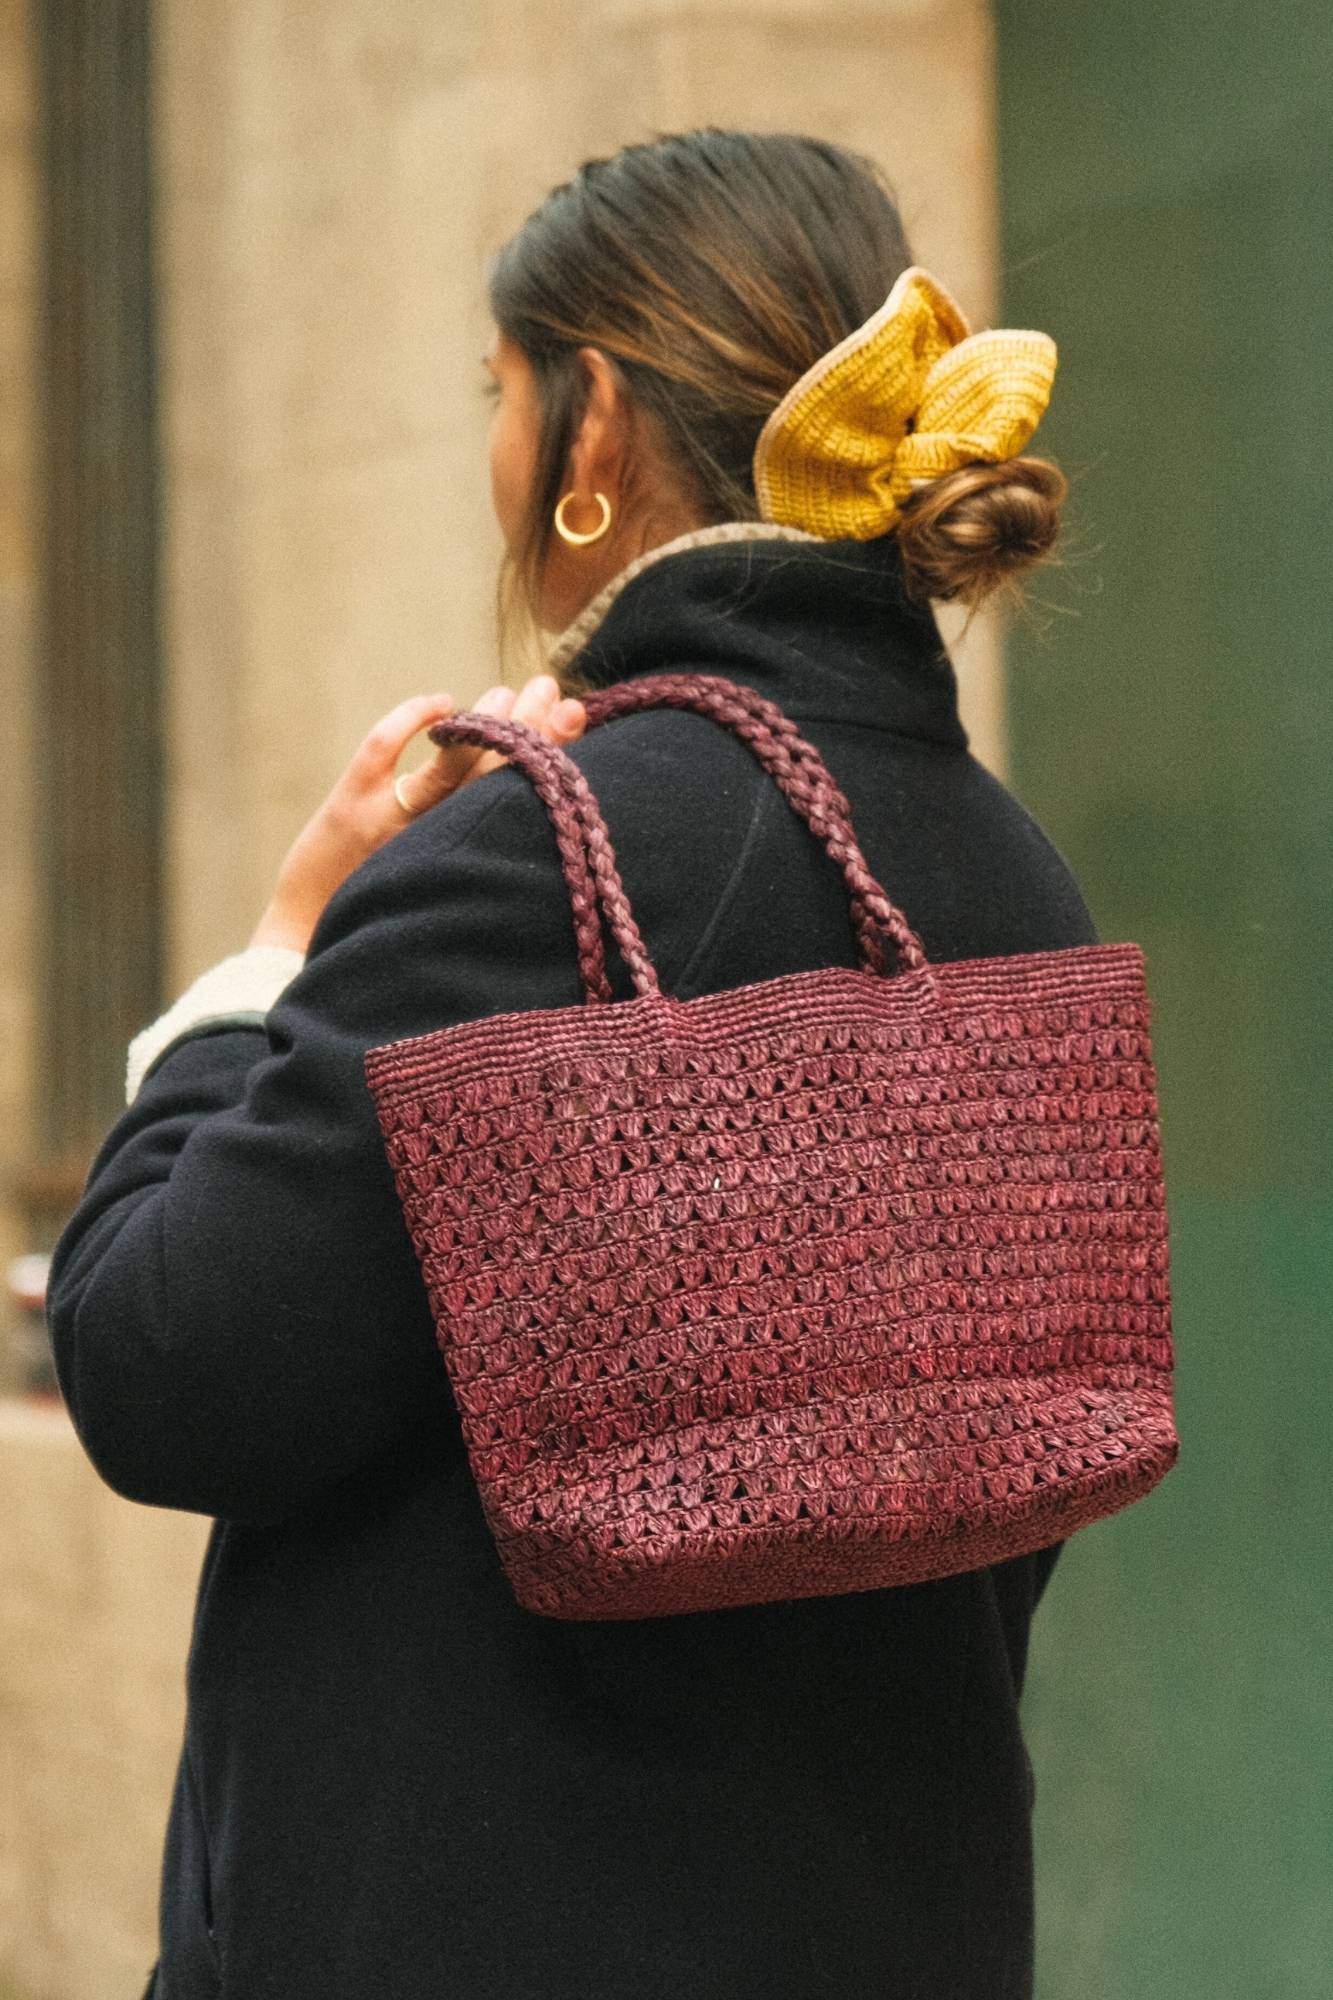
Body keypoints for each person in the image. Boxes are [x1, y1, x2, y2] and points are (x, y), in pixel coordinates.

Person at [49, 128, 1094, 1999]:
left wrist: (277, 951)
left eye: (498, 395)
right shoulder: (1009, 875)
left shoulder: (545, 854)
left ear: (590, 422)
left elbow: (162, 1369)